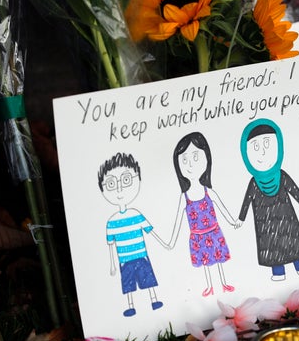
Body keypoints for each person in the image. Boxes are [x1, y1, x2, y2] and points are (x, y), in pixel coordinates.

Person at [236, 118, 299, 281]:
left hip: (285, 214)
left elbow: (293, 189)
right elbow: (247, 200)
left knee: (291, 238)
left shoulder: (281, 175)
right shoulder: (254, 182)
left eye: (267, 143)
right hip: (265, 220)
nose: (262, 152)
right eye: (255, 147)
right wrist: (241, 218)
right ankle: (278, 272)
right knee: (272, 244)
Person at [98, 152, 167, 317]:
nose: (120, 188)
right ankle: (130, 306)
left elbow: (150, 231)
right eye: (111, 184)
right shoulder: (111, 222)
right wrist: (112, 264)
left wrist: (165, 243)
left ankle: (154, 300)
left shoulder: (136, 215)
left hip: (141, 256)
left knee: (147, 279)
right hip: (124, 260)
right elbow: (111, 246)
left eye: (126, 180)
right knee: (128, 284)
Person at [169, 132, 235, 297]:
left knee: (218, 260)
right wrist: (171, 241)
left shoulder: (208, 191)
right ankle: (210, 285)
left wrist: (233, 221)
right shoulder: (184, 196)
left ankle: (223, 283)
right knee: (206, 263)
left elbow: (221, 207)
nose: (190, 164)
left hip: (213, 232)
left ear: (207, 157)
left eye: (195, 157)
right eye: (184, 160)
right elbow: (178, 220)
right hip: (198, 237)